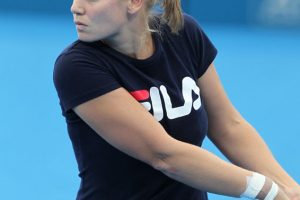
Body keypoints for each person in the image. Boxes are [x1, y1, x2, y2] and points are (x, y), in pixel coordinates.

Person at [53, 0, 300, 199]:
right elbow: (165, 156)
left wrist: (290, 189)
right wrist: (268, 192)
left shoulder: (184, 34)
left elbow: (227, 126)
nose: (75, 7)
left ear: (134, 2)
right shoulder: (77, 67)